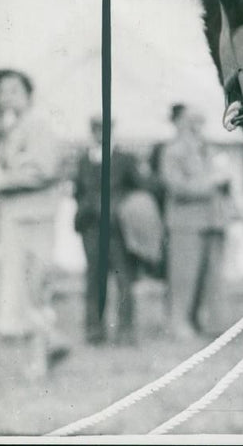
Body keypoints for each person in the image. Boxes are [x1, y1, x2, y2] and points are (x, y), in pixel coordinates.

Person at [0, 68, 68, 378]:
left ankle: (43, 353)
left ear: (27, 92)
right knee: (22, 290)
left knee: (34, 287)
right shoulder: (12, 128)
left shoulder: (38, 124)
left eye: (14, 89)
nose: (7, 95)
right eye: (2, 90)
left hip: (33, 217)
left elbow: (44, 169)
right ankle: (44, 351)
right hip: (17, 217)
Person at [160, 103, 230, 338]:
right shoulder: (173, 151)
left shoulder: (209, 150)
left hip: (213, 221)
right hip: (185, 223)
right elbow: (176, 187)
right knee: (183, 278)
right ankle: (178, 323)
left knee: (211, 278)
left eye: (201, 122)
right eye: (193, 123)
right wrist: (212, 183)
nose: (198, 127)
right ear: (182, 124)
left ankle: (208, 323)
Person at [73, 115, 143, 345]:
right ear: (91, 132)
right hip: (91, 228)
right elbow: (77, 190)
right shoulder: (84, 160)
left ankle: (125, 331)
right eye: (96, 130)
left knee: (123, 278)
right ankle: (94, 331)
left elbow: (141, 187)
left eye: (104, 130)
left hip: (118, 229)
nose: (100, 134)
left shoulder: (125, 159)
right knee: (94, 279)